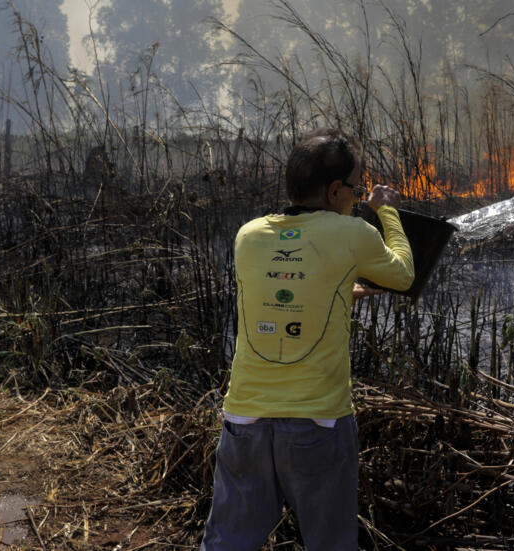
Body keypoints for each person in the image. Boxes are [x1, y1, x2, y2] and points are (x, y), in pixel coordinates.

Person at [201, 128, 414, 550]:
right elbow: (403, 275)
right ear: (335, 190)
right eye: (354, 190)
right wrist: (386, 212)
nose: (356, 198)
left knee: (228, 542)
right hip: (318, 421)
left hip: (244, 421)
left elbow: (278, 294)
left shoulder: (248, 235)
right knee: (330, 543)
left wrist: (338, 289)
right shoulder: (353, 232)